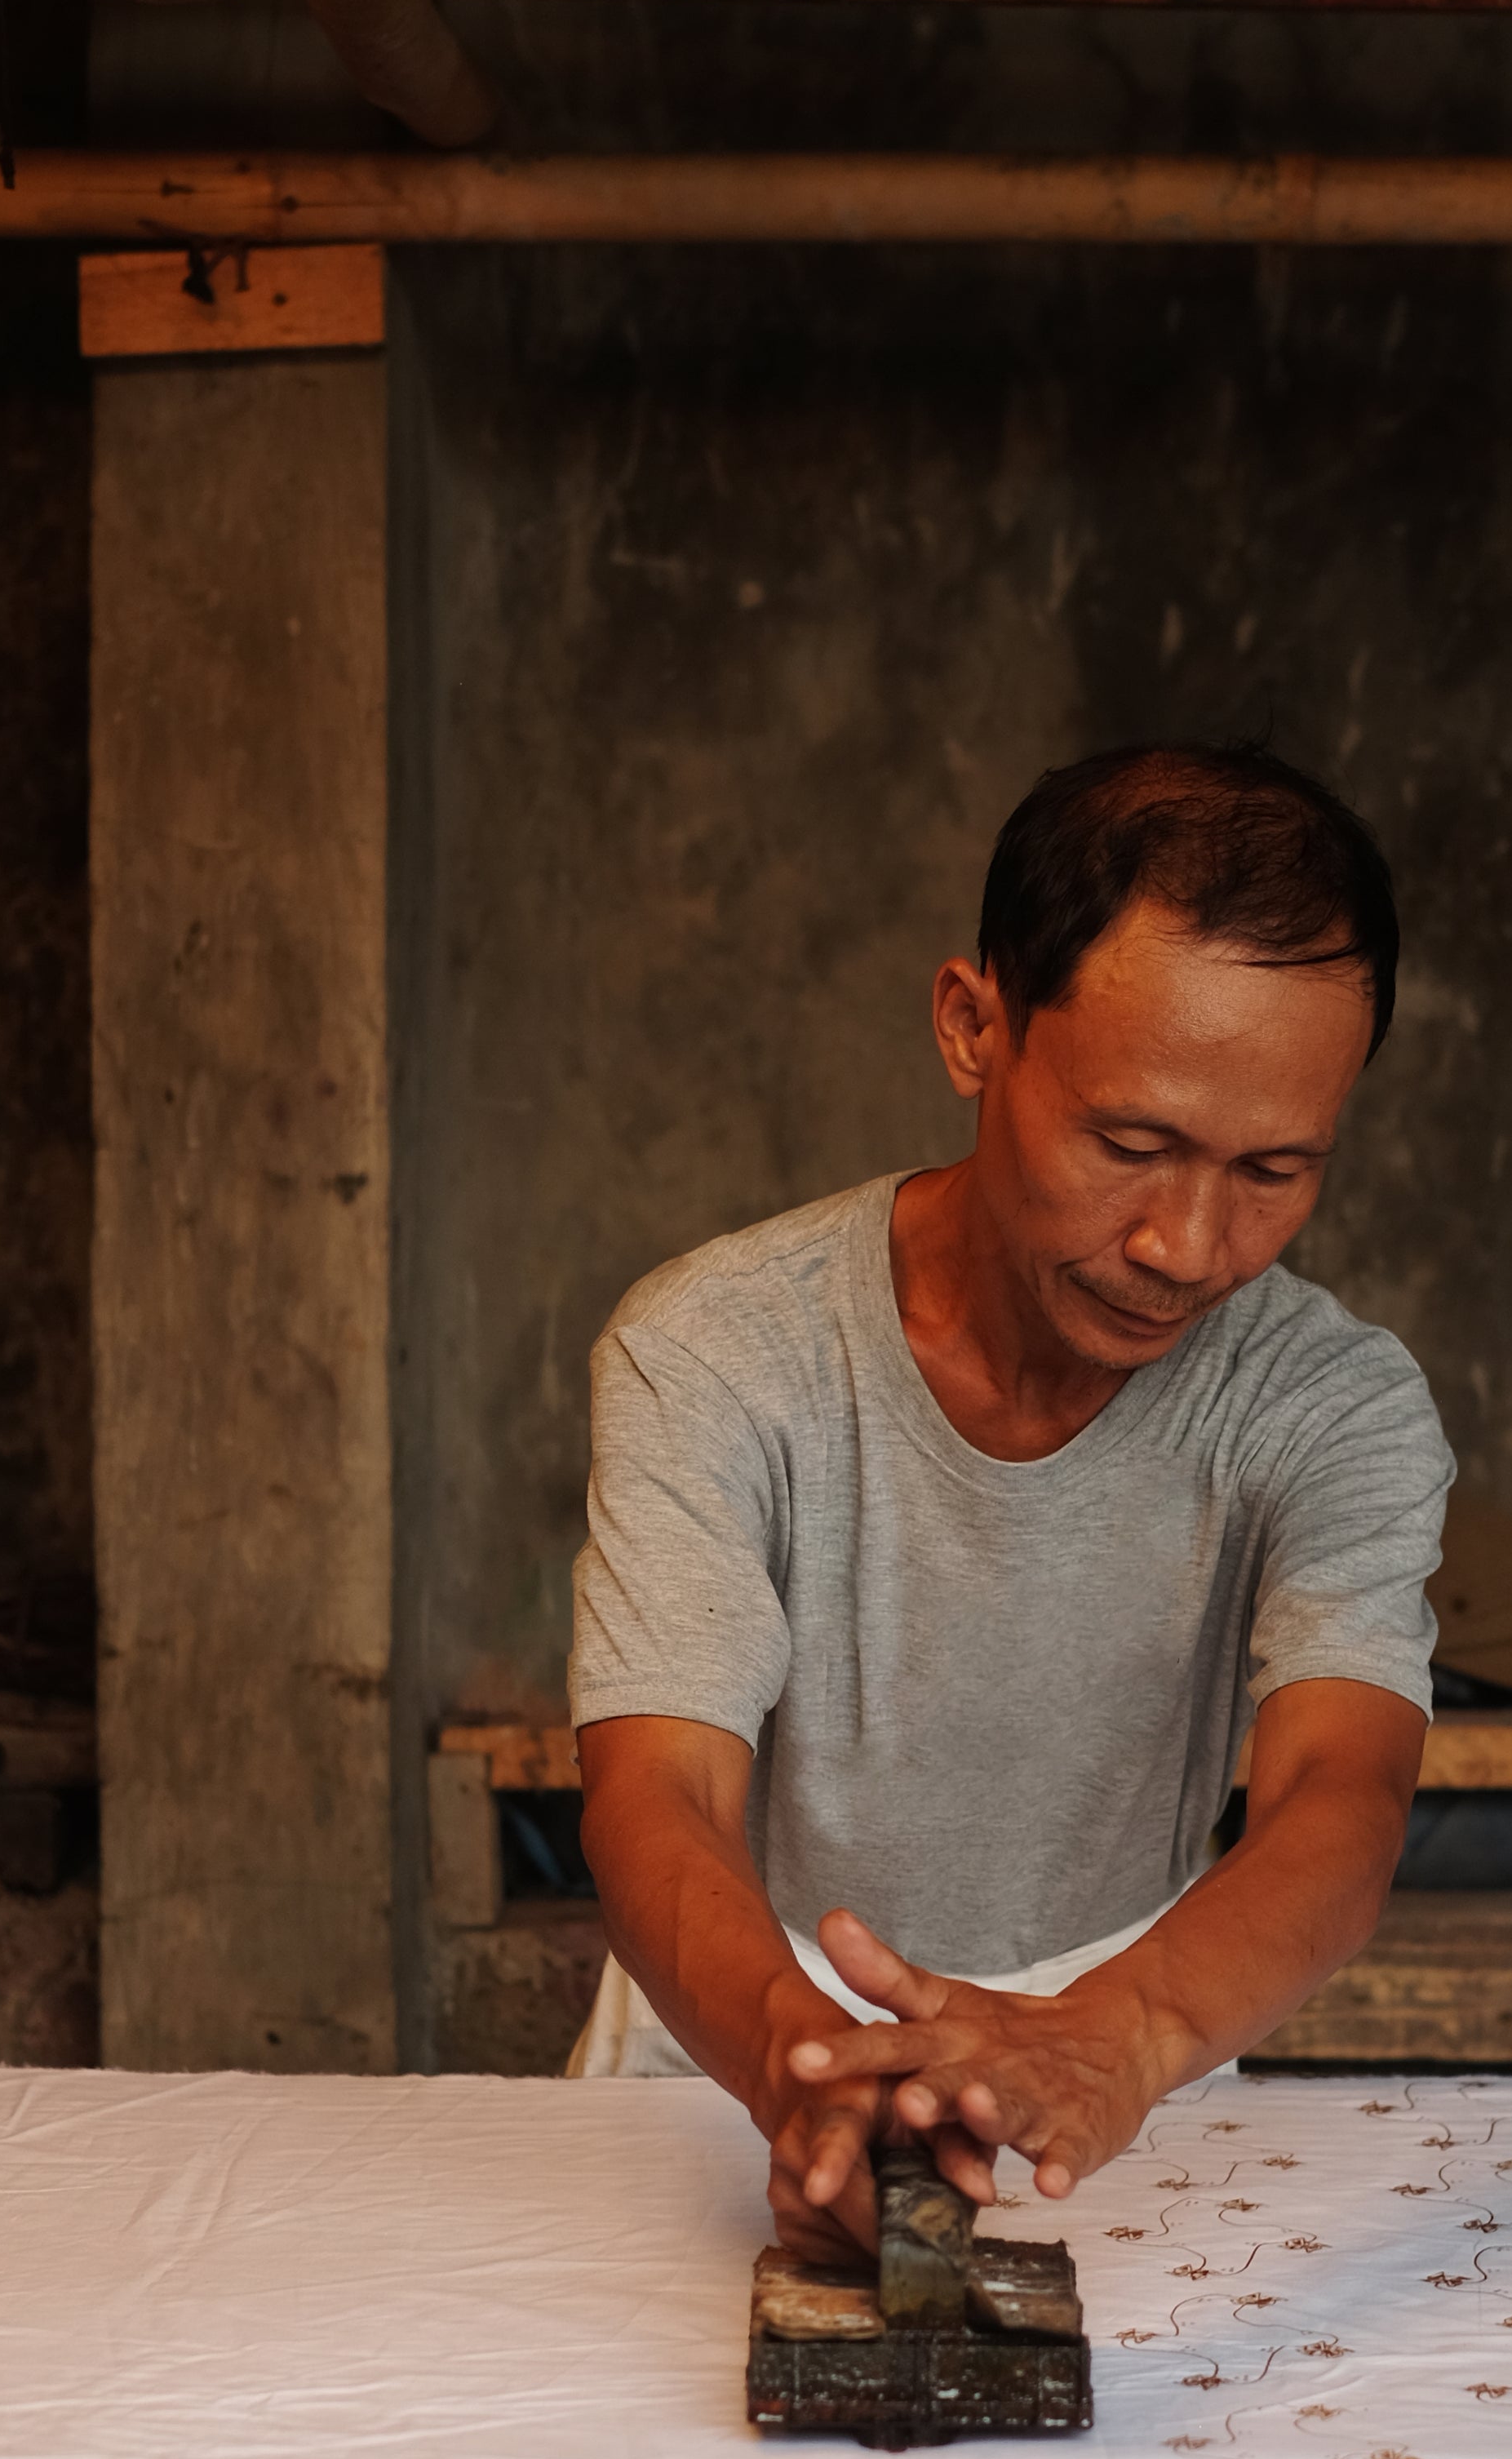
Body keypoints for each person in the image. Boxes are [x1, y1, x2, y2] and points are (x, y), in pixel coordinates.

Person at [570, 743, 1452, 2262]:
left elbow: (1340, 1801)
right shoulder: (717, 1351)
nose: (1188, 1245)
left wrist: (1122, 2035)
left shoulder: (1335, 1406)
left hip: (1135, 2046)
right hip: (735, 2025)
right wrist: (799, 2067)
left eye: (1274, 1170)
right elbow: (661, 1795)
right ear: (974, 1028)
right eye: (1132, 1146)